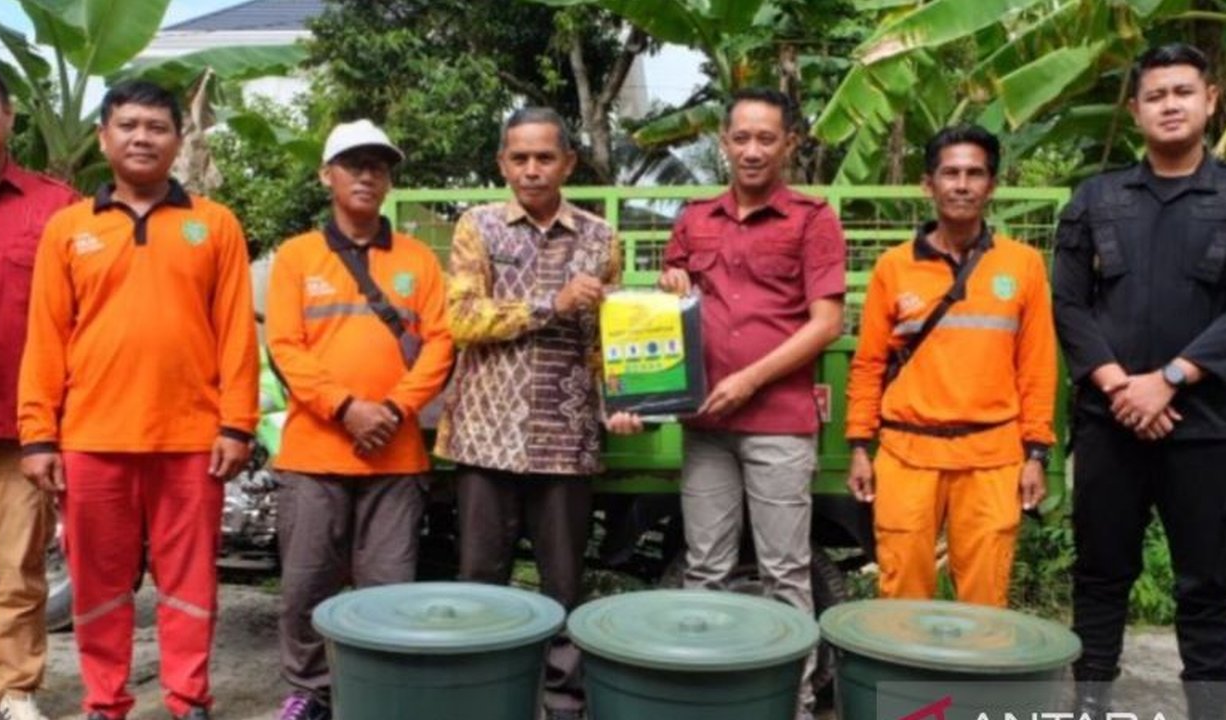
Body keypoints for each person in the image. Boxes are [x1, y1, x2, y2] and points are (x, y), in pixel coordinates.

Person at [18, 80, 259, 720]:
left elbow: (236, 332)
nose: (142, 137)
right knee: (98, 585)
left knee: (190, 582)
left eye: (157, 126)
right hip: (92, 439)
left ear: (179, 140)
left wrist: (237, 424)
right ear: (104, 137)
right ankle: (106, 701)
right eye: (128, 125)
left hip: (191, 441)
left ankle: (188, 699)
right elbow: (45, 334)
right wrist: (38, 434)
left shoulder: (216, 226)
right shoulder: (69, 229)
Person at [608, 87, 846, 718]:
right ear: (723, 143)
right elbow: (671, 305)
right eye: (741, 138)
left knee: (785, 573)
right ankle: (708, 699)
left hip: (779, 422)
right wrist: (670, 283)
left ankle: (790, 704)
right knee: (705, 569)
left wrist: (752, 379)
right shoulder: (693, 219)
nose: (752, 150)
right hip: (707, 424)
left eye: (767, 138)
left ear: (789, 144)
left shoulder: (812, 219)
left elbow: (826, 324)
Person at [1052, 43, 1226, 720]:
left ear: (1211, 99)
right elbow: (1069, 304)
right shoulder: (1095, 200)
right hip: (1111, 424)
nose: (1170, 105)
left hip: (1211, 427)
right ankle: (1090, 706)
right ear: (1135, 110)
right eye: (1156, 95)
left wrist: (1170, 379)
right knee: (1100, 579)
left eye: (1183, 92)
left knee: (1209, 586)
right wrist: (1121, 388)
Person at [433, 106, 619, 720]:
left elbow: (608, 341)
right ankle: (482, 697)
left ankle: (563, 702)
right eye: (520, 158)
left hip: (566, 439)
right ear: (502, 163)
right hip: (486, 436)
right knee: (480, 576)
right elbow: (460, 320)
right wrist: (551, 303)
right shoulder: (478, 227)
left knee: (564, 580)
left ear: (568, 162)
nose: (532, 170)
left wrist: (623, 401)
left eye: (545, 157)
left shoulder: (600, 238)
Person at [265, 120, 453, 720]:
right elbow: (286, 348)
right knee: (304, 587)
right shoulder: (296, 257)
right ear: (328, 176)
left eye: (378, 165)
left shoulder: (419, 260)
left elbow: (441, 345)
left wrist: (394, 410)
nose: (367, 175)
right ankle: (309, 693)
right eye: (353, 163)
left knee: (389, 590)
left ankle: (379, 695)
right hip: (314, 455)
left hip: (395, 458)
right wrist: (346, 409)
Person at [843, 125, 1057, 607]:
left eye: (974, 173)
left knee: (985, 600)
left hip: (992, 457)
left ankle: (970, 687)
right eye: (950, 173)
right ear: (928, 184)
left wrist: (1036, 454)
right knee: (902, 595)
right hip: (906, 454)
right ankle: (907, 686)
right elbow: (869, 363)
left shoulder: (1023, 265)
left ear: (992, 185)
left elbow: (1038, 366)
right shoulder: (894, 267)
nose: (962, 184)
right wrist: (860, 445)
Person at [0, 58, 75, 720]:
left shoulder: (56, 207)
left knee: (19, 572)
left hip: (23, 427)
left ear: (8, 118)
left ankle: (15, 690)